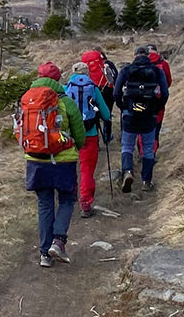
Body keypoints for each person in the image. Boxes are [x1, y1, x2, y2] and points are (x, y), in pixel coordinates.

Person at [20, 62, 85, 267]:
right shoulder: (65, 101)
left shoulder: (28, 99)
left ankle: (44, 254)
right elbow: (78, 131)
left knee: (44, 203)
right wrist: (77, 146)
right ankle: (58, 241)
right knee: (67, 199)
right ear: (58, 79)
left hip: (35, 159)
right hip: (63, 160)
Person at [112, 47, 167, 192]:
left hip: (130, 114)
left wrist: (123, 106)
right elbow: (165, 93)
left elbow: (116, 92)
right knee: (148, 148)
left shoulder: (126, 70)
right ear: (147, 56)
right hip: (149, 115)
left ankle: (128, 172)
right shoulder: (156, 71)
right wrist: (156, 108)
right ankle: (146, 182)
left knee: (127, 146)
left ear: (135, 55)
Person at [63, 61, 112, 218]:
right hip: (89, 134)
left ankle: (69, 196)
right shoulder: (94, 88)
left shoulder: (66, 89)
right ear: (87, 73)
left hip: (69, 135)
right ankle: (85, 203)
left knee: (69, 165)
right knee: (87, 169)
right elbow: (105, 113)